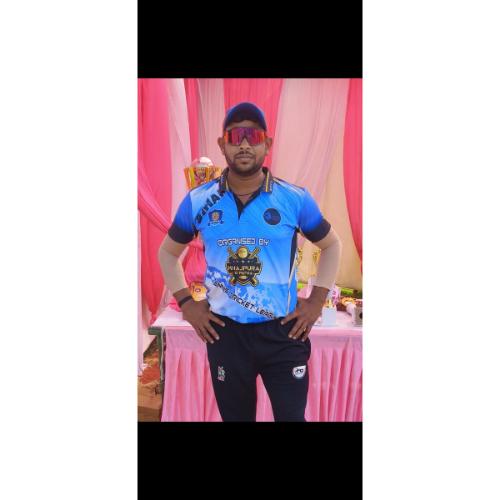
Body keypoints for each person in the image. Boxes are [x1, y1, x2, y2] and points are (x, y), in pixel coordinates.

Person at [158, 102, 342, 422]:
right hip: (225, 335)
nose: (244, 144)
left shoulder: (294, 198)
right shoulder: (199, 200)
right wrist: (187, 304)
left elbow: (332, 245)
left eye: (253, 136)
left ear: (267, 144)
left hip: (283, 334)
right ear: (222, 144)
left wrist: (316, 302)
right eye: (235, 136)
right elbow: (167, 253)